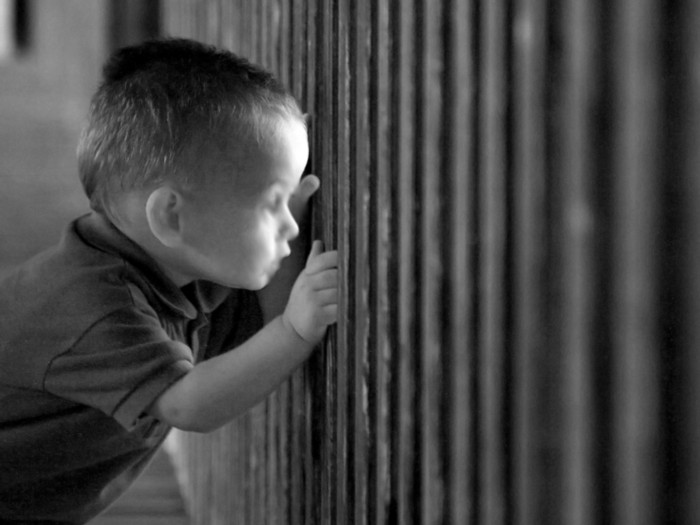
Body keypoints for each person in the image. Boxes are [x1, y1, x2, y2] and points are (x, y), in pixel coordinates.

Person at [0, 38, 338, 523]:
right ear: (172, 217)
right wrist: (295, 334)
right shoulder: (93, 307)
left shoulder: (185, 272)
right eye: (272, 204)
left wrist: (291, 234)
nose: (289, 225)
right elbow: (190, 405)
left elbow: (272, 313)